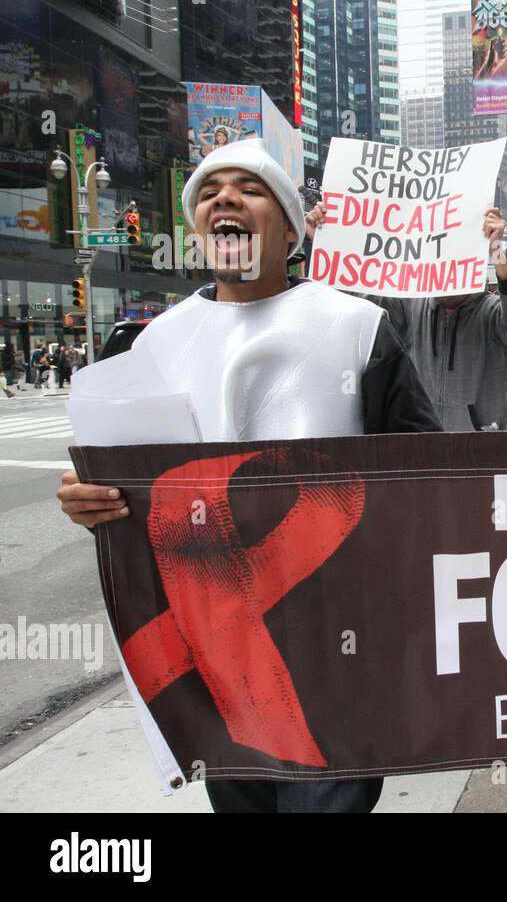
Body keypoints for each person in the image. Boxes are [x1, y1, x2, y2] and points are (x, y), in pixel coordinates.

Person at [56, 137, 440, 814]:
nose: (224, 199)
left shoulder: (358, 327)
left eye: (249, 188)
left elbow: (426, 476)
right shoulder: (158, 342)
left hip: (335, 644)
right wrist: (90, 501)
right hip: (213, 650)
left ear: (290, 229)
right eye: (208, 192)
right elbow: (130, 492)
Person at [305, 204, 507, 432]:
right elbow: (361, 301)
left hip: (477, 450)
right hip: (421, 444)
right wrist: (325, 244)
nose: (443, 272)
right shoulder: (411, 306)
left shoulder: (492, 313)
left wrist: (497, 252)